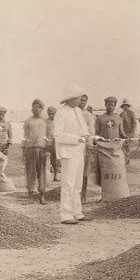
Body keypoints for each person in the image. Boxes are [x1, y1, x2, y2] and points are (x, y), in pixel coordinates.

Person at [54, 84, 91, 225]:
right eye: (78, 97)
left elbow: (84, 129)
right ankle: (66, 215)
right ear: (70, 98)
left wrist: (87, 137)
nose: (80, 99)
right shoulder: (61, 113)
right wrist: (77, 139)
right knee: (68, 184)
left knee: (77, 185)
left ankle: (78, 213)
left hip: (79, 152)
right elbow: (58, 135)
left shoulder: (78, 111)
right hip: (68, 153)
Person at [23, 99, 50, 204]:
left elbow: (48, 137)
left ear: (41, 109)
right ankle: (30, 195)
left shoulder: (45, 122)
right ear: (32, 108)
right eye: (34, 106)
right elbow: (25, 137)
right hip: (30, 149)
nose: (36, 109)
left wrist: (48, 150)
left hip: (41, 149)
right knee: (30, 171)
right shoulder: (28, 121)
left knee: (41, 172)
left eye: (38, 107)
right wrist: (23, 150)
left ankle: (42, 195)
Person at [79, 94, 96, 204]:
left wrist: (90, 144)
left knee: (84, 172)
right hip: (73, 145)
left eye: (85, 101)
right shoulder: (71, 113)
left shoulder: (88, 115)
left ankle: (83, 195)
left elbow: (91, 132)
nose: (83, 102)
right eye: (81, 100)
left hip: (85, 146)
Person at [120, 99, 137, 166]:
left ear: (127, 106)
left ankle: (127, 161)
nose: (125, 107)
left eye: (126, 105)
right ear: (123, 106)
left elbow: (134, 123)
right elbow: (120, 124)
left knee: (128, 147)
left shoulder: (131, 113)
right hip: (122, 133)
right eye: (124, 106)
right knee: (123, 147)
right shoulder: (121, 114)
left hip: (129, 132)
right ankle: (125, 161)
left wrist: (132, 132)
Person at [46, 106, 59, 181]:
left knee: (56, 161)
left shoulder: (58, 122)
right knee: (46, 160)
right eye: (50, 114)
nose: (51, 115)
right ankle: (46, 177)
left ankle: (55, 176)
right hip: (48, 144)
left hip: (56, 144)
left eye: (53, 114)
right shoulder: (45, 122)